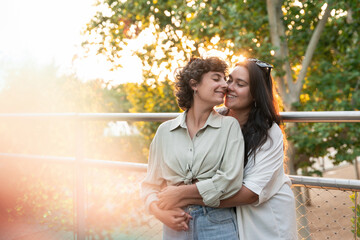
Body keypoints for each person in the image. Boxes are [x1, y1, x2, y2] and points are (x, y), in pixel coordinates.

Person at [158, 58, 297, 240]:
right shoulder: (216, 118)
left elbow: (250, 194)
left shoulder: (269, 134)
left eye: (240, 84)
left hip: (264, 220)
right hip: (226, 216)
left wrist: (183, 196)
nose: (228, 87)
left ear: (255, 94)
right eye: (229, 79)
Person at [141, 56, 245, 239]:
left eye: (224, 79)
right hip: (175, 224)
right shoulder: (165, 132)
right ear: (194, 84)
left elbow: (230, 180)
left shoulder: (229, 127)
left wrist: (180, 192)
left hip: (217, 223)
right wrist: (159, 212)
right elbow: (150, 185)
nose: (225, 85)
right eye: (216, 78)